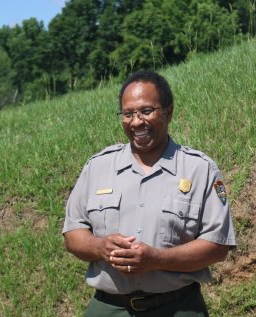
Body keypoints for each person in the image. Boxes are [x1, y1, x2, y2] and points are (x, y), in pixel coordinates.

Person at [62, 70, 236, 317]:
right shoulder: (98, 167)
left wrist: (157, 259)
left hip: (177, 307)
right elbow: (72, 234)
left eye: (146, 111)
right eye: (128, 114)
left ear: (169, 111)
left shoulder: (200, 169)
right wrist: (100, 247)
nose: (136, 122)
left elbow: (218, 246)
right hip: (109, 307)